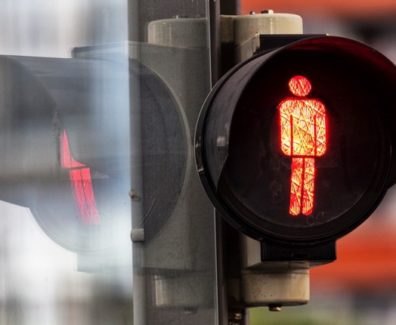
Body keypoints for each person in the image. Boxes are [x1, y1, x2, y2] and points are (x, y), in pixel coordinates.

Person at [278, 75, 327, 216]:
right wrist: (287, 147)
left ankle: (304, 208)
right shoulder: (289, 106)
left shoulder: (316, 106)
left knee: (306, 178)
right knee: (299, 177)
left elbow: (320, 127)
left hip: (305, 147)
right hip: (301, 147)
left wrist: (319, 147)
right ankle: (298, 207)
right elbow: (286, 127)